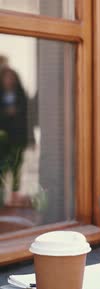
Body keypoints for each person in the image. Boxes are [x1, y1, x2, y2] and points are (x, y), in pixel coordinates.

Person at [0, 66, 28, 206]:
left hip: (18, 138)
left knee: (16, 168)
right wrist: (6, 113)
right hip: (3, 139)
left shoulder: (21, 95)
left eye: (11, 77)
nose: (9, 80)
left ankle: (13, 197)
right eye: (6, 77)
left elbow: (27, 118)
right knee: (2, 168)